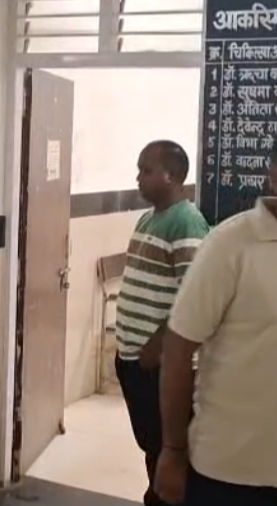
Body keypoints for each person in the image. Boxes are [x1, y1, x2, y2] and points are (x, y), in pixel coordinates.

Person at [155, 119, 277, 506]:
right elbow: (178, 351)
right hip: (233, 474)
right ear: (276, 178)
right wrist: (173, 450)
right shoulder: (229, 246)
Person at [115, 140, 210, 506]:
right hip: (134, 359)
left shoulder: (186, 222)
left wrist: (160, 343)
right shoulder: (148, 218)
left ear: (172, 176)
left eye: (146, 170)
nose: (138, 178)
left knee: (167, 447)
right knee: (151, 445)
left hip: (161, 364)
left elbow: (196, 295)